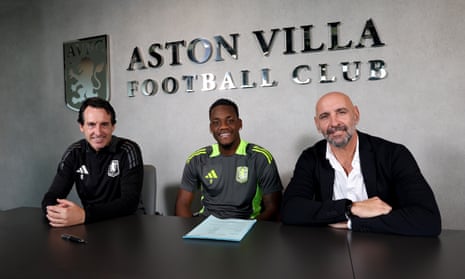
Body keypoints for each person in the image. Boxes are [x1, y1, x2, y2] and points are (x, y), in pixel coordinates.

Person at [281, 91, 441, 236]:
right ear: (317, 124)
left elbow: (428, 220)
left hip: (388, 252)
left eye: (341, 112)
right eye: (325, 116)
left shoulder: (393, 154)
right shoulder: (311, 157)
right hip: (328, 252)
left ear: (356, 115)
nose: (334, 123)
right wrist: (350, 208)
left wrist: (353, 222)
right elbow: (290, 210)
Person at [41, 97, 144, 227]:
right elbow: (52, 196)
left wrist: (84, 215)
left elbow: (129, 203)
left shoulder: (128, 150)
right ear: (81, 126)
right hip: (92, 225)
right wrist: (57, 213)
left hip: (127, 225)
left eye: (104, 124)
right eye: (91, 125)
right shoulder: (74, 153)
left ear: (113, 126)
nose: (98, 132)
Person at [175, 98, 283, 221]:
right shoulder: (197, 159)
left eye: (230, 121)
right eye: (216, 122)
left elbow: (273, 209)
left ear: (240, 124)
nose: (223, 127)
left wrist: (249, 230)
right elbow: (182, 203)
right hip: (206, 225)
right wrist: (190, 231)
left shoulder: (260, 157)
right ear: (211, 128)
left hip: (246, 225)